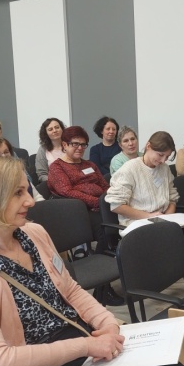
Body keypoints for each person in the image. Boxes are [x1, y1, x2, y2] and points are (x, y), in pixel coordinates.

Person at [0, 156, 184, 366]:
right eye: (18, 193)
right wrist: (86, 345)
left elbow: (71, 290)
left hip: (80, 334)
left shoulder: (34, 233)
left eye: (27, 190)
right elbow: (0, 362)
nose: (30, 201)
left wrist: (108, 323)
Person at [106, 131, 184, 289]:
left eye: (167, 157)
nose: (162, 161)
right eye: (160, 155)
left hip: (161, 218)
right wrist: (149, 215)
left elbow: (172, 198)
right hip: (137, 222)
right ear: (148, 146)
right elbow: (116, 205)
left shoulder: (164, 168)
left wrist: (168, 216)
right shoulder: (130, 169)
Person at [47, 126, 121, 305]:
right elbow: (67, 192)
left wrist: (110, 199)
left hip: (100, 208)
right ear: (64, 145)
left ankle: (105, 283)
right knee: (106, 231)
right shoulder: (57, 167)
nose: (80, 148)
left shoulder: (89, 165)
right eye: (75, 144)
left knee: (121, 225)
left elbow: (104, 186)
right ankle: (104, 287)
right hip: (77, 213)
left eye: (83, 144)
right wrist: (97, 202)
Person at [0, 138, 44, 202]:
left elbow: (37, 197)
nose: (3, 156)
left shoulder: (19, 173)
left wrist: (42, 206)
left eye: (6, 152)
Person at [35, 117, 66, 182]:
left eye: (57, 127)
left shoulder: (70, 145)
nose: (55, 131)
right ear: (46, 133)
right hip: (53, 184)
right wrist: (56, 182)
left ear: (62, 129)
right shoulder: (42, 150)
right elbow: (42, 174)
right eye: (50, 129)